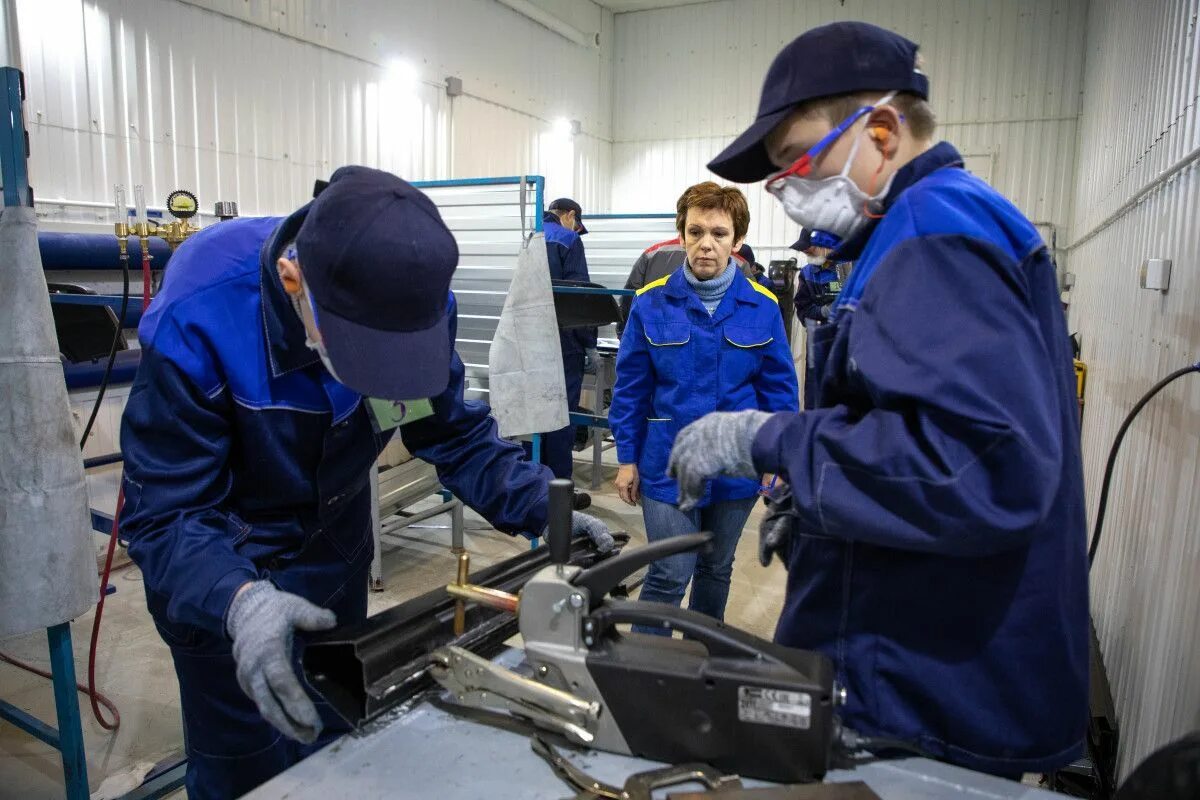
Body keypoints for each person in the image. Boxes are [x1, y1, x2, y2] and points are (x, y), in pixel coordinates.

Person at [667, 22, 1088, 777]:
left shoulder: (934, 234)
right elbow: (905, 427)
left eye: (796, 159)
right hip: (920, 664)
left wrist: (769, 439)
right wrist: (822, 508)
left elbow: (978, 470)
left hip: (927, 692)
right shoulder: (918, 229)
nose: (785, 187)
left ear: (882, 131)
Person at [118, 166, 615, 798]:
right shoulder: (200, 316)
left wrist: (545, 509)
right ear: (293, 281)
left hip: (334, 561)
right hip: (220, 578)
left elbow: (456, 435)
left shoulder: (409, 302)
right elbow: (166, 514)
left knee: (339, 748)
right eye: (361, 359)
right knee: (244, 770)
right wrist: (237, 601)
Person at [609, 182, 797, 632]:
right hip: (666, 463)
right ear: (681, 235)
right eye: (695, 232)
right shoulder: (650, 302)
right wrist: (626, 458)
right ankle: (646, 666)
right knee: (670, 572)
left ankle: (703, 655)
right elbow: (631, 387)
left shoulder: (763, 306)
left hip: (738, 467)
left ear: (737, 240)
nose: (705, 244)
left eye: (718, 233)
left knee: (715, 569)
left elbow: (780, 393)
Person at [540, 197, 596, 509]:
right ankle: (560, 492)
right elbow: (578, 296)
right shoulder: (568, 238)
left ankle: (534, 485)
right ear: (570, 216)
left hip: (528, 342)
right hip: (562, 344)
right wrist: (589, 342)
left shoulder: (529, 234)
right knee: (562, 416)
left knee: (535, 416)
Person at [619, 237, 757, 329]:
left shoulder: (651, 255)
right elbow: (754, 314)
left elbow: (629, 300)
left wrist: (624, 335)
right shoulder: (739, 264)